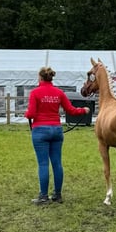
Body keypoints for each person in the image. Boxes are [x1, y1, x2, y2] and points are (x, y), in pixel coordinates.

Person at [24, 66, 90, 205]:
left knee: (43, 164)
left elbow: (31, 114)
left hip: (40, 130)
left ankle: (43, 196)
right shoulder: (59, 93)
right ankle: (57, 194)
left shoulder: (35, 93)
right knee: (57, 163)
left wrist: (26, 113)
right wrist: (83, 110)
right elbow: (71, 110)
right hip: (56, 130)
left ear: (40, 78)